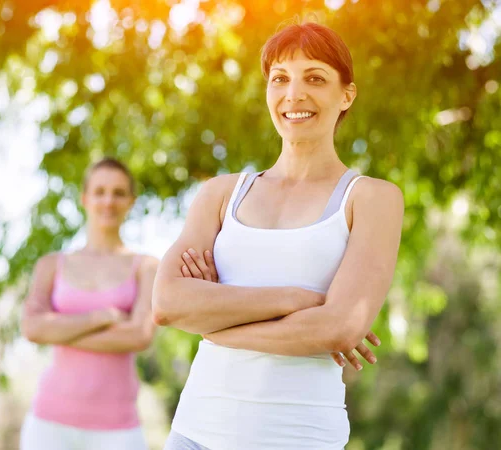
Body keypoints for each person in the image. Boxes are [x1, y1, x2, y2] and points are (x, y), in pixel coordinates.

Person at [152, 21, 404, 450]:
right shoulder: (219, 194)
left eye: (315, 78)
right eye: (280, 79)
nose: (294, 94)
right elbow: (167, 303)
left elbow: (339, 327)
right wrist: (294, 300)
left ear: (346, 94)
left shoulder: (373, 199)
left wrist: (214, 324)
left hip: (299, 439)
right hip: (194, 434)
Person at [20, 158, 159, 450]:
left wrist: (59, 329)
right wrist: (103, 316)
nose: (108, 200)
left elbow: (139, 335)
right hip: (49, 424)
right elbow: (32, 329)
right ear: (85, 198)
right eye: (100, 191)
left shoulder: (145, 266)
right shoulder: (51, 265)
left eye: (119, 193)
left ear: (131, 202)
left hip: (119, 429)